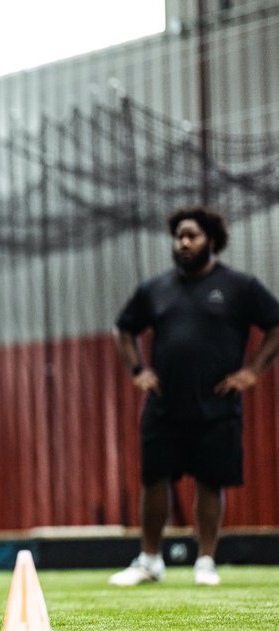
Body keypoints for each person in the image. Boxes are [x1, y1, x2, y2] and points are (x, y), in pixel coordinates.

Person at [111, 207, 279, 587]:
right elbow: (124, 328)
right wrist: (139, 371)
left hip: (216, 405)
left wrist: (252, 372)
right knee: (154, 479)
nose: (184, 243)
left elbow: (275, 324)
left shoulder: (239, 286)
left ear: (211, 241)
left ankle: (205, 561)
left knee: (210, 481)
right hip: (165, 404)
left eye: (192, 236)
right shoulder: (156, 289)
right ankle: (150, 560)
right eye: (179, 237)